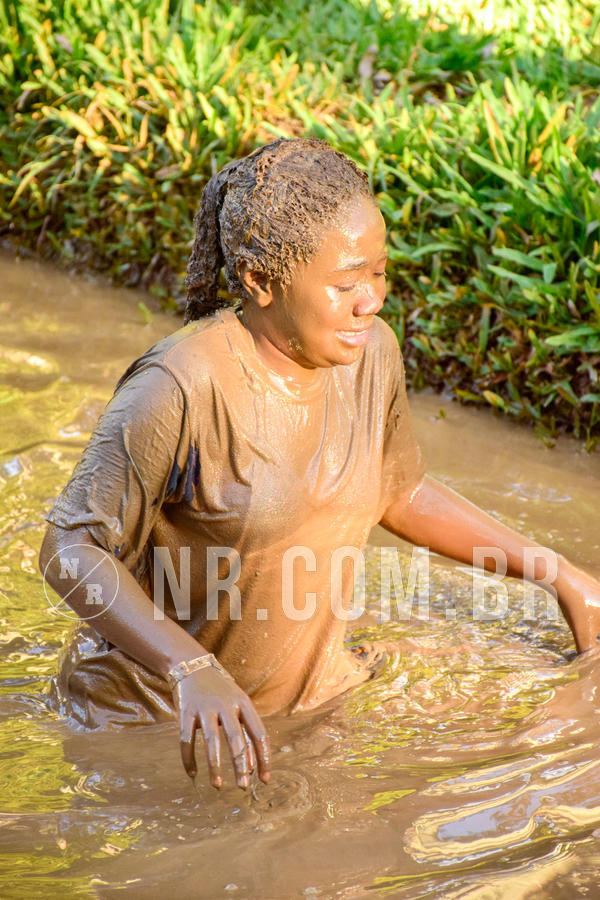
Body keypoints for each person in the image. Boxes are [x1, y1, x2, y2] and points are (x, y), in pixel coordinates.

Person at [39, 138, 600, 792]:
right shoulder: (180, 385)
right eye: (345, 283)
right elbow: (69, 546)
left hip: (308, 704)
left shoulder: (369, 355)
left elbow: (402, 490)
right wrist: (191, 671)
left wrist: (557, 573)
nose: (372, 301)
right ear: (260, 281)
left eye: (380, 273)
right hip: (165, 727)